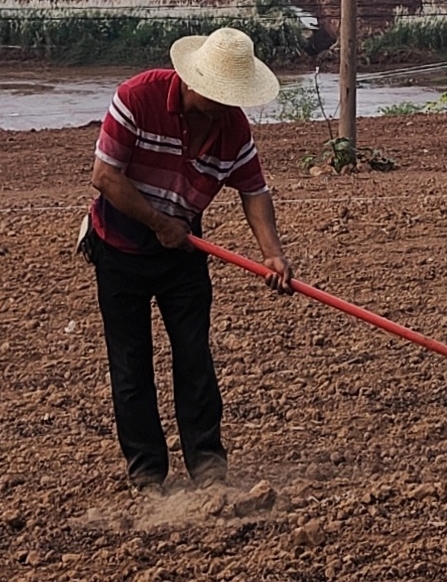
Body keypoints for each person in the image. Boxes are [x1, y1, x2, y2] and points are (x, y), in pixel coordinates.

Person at [80, 27, 293, 493]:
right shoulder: (137, 97)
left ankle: (208, 466)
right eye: (219, 94)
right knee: (131, 363)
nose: (224, 104)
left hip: (183, 249)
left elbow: (254, 191)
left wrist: (272, 254)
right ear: (193, 80)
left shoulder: (233, 128)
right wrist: (159, 223)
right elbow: (105, 177)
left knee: (194, 357)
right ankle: (147, 473)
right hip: (119, 243)